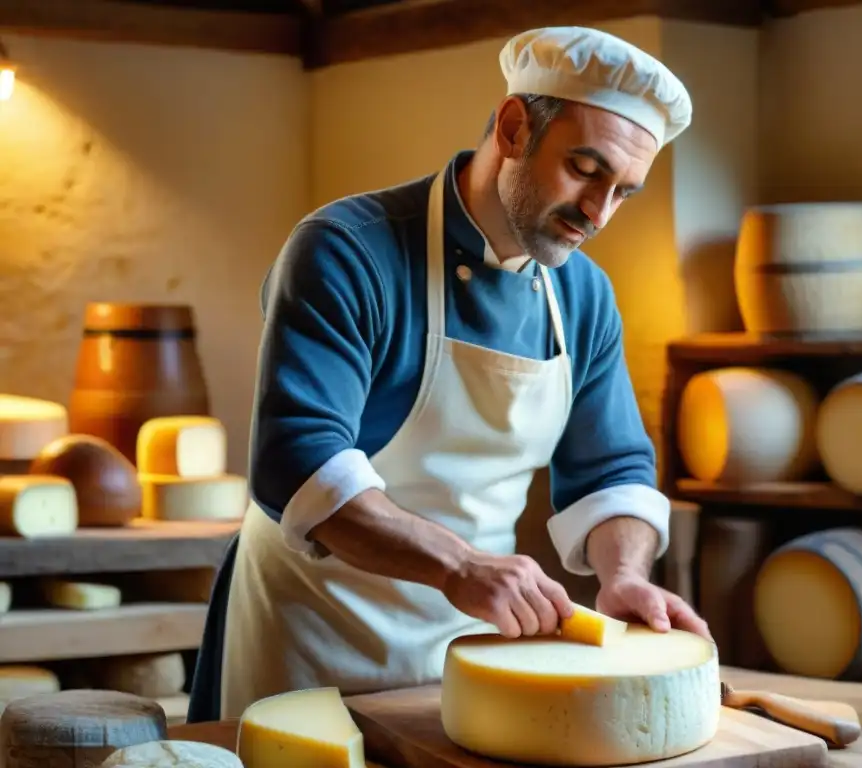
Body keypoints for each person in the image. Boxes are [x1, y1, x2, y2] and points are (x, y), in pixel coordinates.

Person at [187, 24, 710, 724]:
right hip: (310, 635)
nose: (598, 213)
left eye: (624, 192)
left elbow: (612, 469)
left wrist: (623, 576)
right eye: (586, 170)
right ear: (516, 127)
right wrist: (459, 567)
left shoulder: (583, 296)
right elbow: (297, 461)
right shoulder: (348, 251)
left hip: (473, 643)